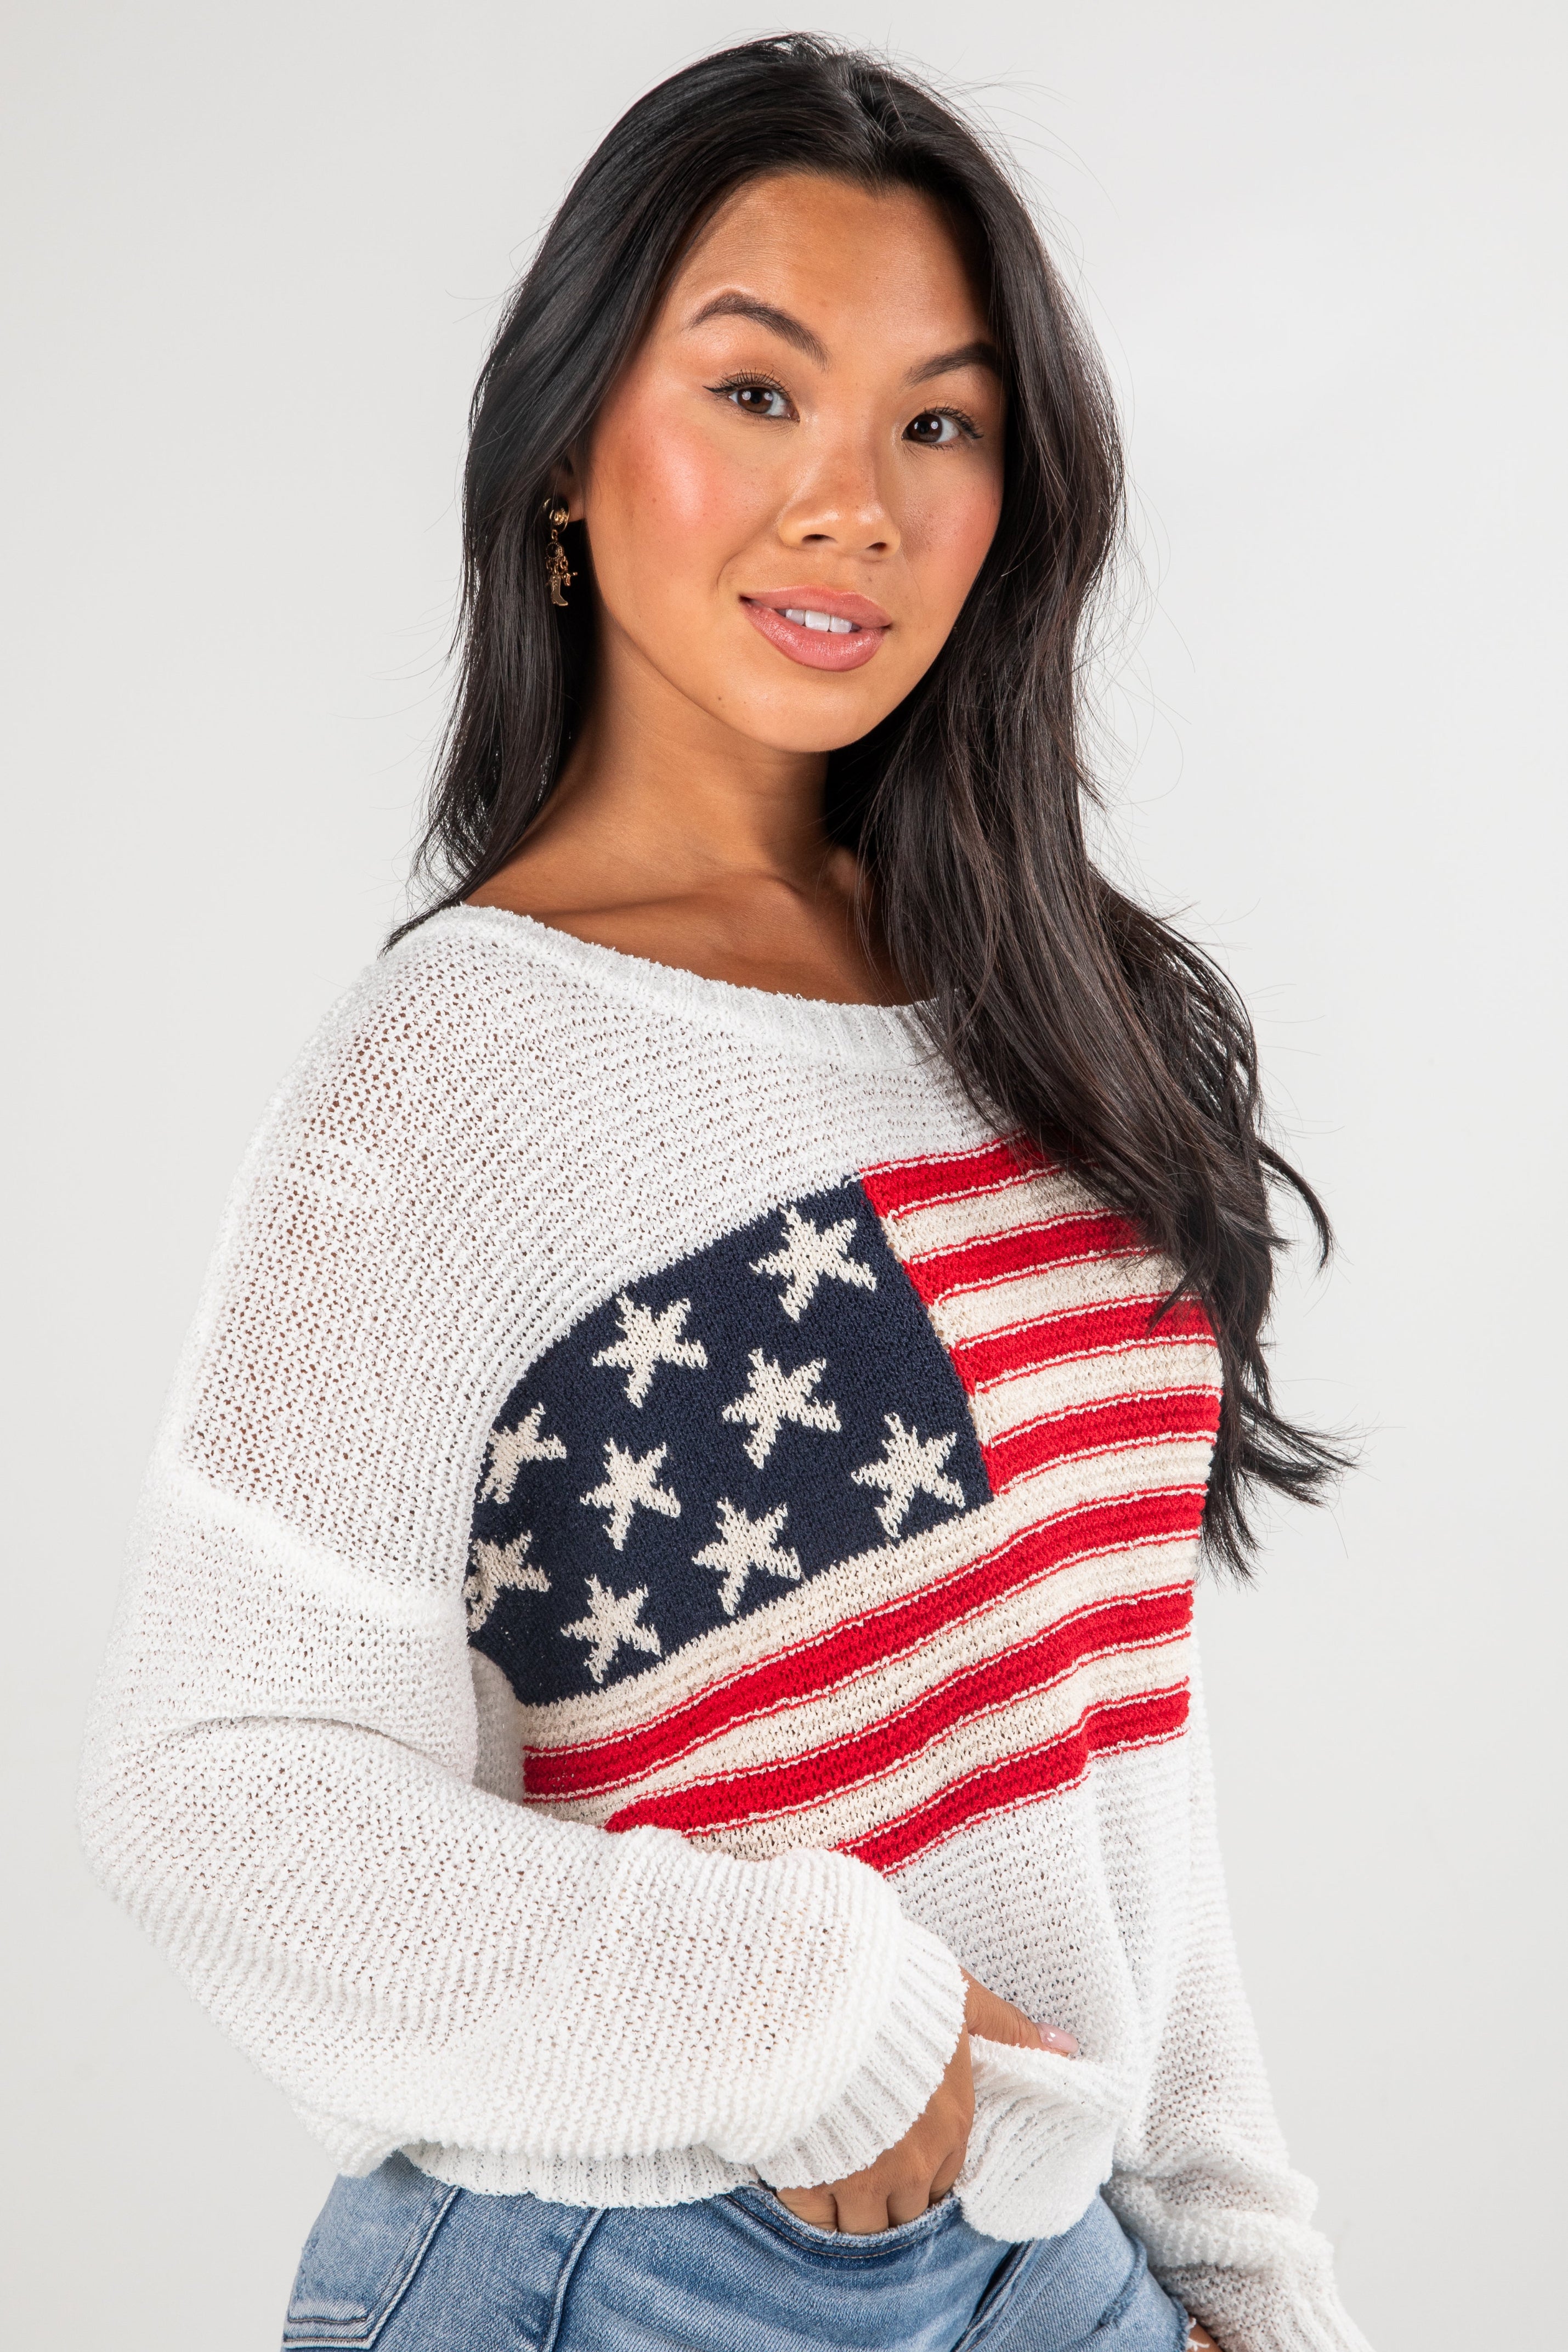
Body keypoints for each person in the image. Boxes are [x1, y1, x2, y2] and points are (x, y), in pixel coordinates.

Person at [80, 37, 1370, 2352]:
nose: (851, 503)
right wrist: (812, 2014)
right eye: (759, 393)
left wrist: (1237, 2267)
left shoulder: (1060, 1016)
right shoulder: (462, 1066)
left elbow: (1108, 1742)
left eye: (938, 422)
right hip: (666, 2259)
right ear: (570, 453)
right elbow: (217, 1790)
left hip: (1045, 2249)